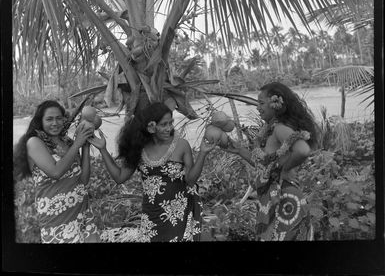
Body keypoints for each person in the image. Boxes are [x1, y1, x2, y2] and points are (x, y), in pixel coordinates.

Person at [88, 102, 216, 242]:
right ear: (150, 127)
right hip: (151, 216)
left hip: (180, 215)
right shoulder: (139, 148)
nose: (169, 128)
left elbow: (191, 180)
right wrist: (103, 149)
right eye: (164, 124)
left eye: (171, 123)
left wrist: (203, 153)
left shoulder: (181, 145)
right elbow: (119, 177)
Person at [225, 82, 319, 241]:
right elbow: (266, 167)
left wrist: (284, 170)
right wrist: (240, 150)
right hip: (274, 199)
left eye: (261, 103)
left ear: (275, 104)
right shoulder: (270, 129)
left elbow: (303, 150)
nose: (257, 107)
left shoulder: (280, 128)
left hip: (284, 199)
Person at [13, 100, 100, 243]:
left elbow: (83, 180)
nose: (55, 123)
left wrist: (84, 145)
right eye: (49, 119)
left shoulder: (67, 141)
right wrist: (78, 142)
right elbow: (55, 172)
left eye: (59, 118)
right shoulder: (34, 142)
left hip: (82, 213)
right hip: (57, 220)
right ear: (40, 121)